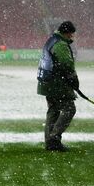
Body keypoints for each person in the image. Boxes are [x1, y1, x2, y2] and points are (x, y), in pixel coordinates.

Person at [37, 21, 80, 152]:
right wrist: (74, 80)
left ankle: (49, 142)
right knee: (69, 109)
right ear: (67, 33)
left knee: (53, 111)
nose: (72, 37)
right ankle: (54, 138)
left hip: (46, 83)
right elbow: (67, 64)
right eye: (71, 34)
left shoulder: (51, 40)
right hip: (56, 84)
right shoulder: (61, 44)